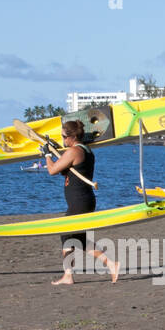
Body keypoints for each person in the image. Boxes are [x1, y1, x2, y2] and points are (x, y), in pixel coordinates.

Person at [46, 119, 119, 284]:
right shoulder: (84, 150)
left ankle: (68, 275)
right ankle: (111, 264)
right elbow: (64, 170)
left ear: (72, 137)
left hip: (80, 201)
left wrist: (47, 154)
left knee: (66, 234)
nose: (63, 140)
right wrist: (54, 151)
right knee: (79, 240)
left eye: (64, 137)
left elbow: (52, 170)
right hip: (84, 200)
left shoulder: (74, 152)